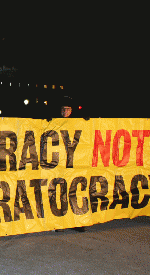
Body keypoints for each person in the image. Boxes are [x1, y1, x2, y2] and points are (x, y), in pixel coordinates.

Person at [54, 97, 86, 232]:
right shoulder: (56, 122)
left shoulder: (78, 123)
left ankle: (77, 222)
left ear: (71, 110)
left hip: (75, 164)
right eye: (62, 109)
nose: (64, 111)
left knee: (75, 192)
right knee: (60, 192)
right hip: (61, 163)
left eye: (67, 109)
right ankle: (60, 221)